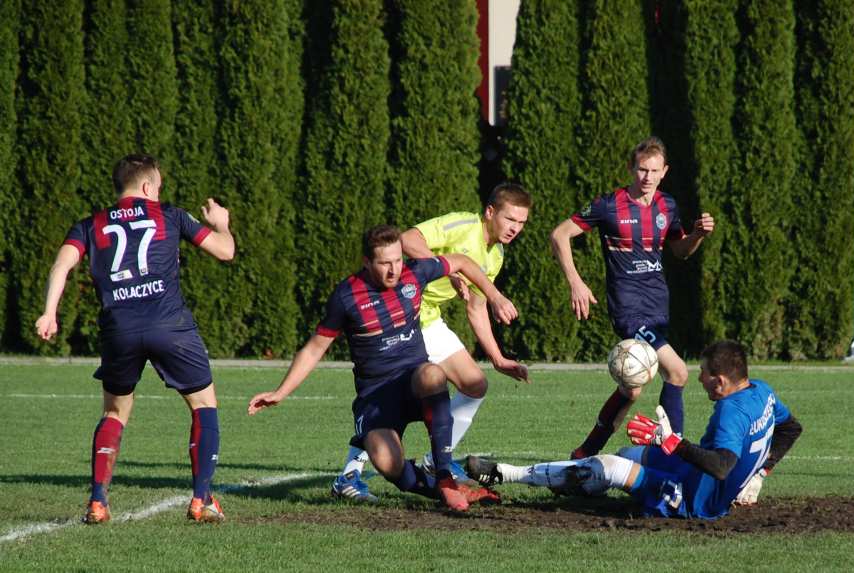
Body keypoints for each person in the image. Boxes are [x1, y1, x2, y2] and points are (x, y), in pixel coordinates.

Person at [247, 225, 519, 511]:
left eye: (398, 260)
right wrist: (281, 392)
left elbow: (461, 262)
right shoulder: (346, 296)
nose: (394, 270)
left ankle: (444, 475)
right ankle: (445, 491)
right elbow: (315, 348)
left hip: (414, 379)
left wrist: (495, 296)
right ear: (367, 262)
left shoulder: (416, 272)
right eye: (385, 263)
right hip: (376, 394)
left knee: (432, 373)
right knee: (386, 462)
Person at [35, 154, 235, 524]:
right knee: (203, 404)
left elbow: (61, 264)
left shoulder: (90, 225)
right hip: (169, 325)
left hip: (119, 329)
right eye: (158, 187)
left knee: (114, 411)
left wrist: (50, 312)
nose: (159, 193)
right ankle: (201, 500)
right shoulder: (171, 215)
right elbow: (226, 251)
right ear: (147, 187)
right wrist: (221, 225)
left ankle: (97, 501)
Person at [331, 184, 532, 502]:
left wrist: (498, 358)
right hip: (399, 318)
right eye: (511, 219)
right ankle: (350, 474)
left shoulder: (496, 255)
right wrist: (446, 267)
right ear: (490, 212)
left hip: (429, 319)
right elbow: (409, 239)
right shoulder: (463, 225)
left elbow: (476, 307)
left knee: (475, 384)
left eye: (522, 223)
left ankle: (437, 459)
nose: (515, 228)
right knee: (389, 396)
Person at [465, 340, 803, 520]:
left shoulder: (731, 410)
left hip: (694, 501)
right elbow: (791, 428)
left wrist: (672, 441)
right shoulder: (761, 391)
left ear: (721, 380)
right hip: (692, 472)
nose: (698, 378)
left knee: (608, 467)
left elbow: (721, 466)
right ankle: (577, 482)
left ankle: (502, 474)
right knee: (626, 456)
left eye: (702, 373)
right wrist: (761, 473)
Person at [550, 136, 714, 459]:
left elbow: (679, 250)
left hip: (658, 308)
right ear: (631, 168)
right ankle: (674, 452)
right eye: (641, 170)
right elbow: (560, 234)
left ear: (664, 171)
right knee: (678, 372)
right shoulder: (609, 205)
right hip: (629, 309)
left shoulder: (667, 206)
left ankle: (585, 452)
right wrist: (576, 282)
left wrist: (697, 235)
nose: (647, 177)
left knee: (632, 387)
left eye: (654, 170)